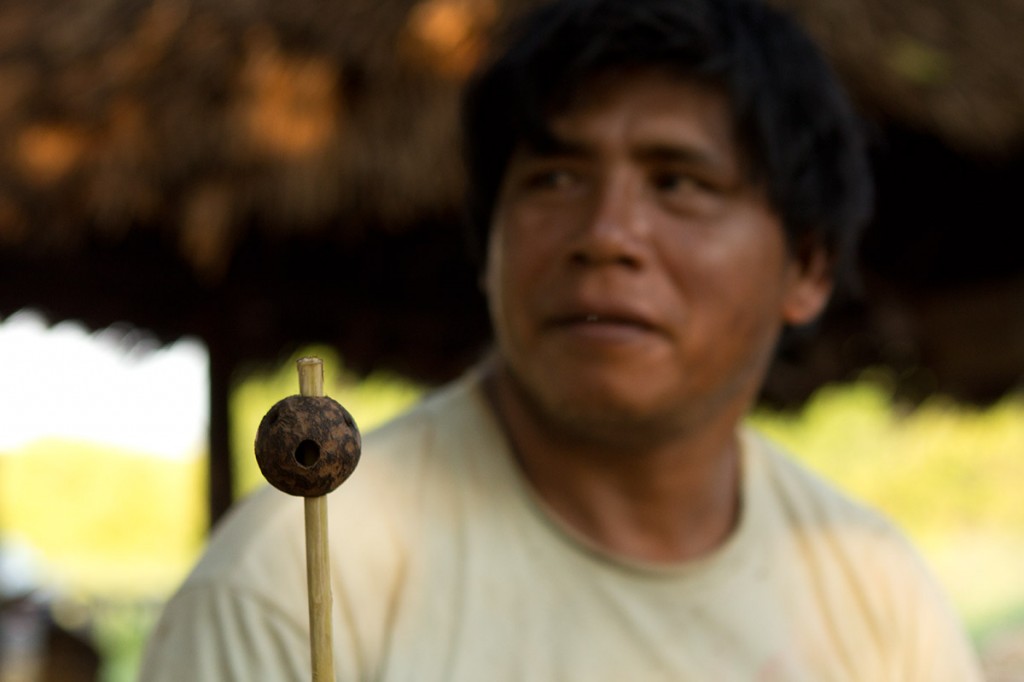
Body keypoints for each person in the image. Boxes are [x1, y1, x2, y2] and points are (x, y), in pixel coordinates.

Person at [139, 0, 983, 679]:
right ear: (490, 245)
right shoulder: (291, 583)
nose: (606, 233)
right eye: (555, 177)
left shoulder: (876, 596)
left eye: (679, 182)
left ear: (806, 264)